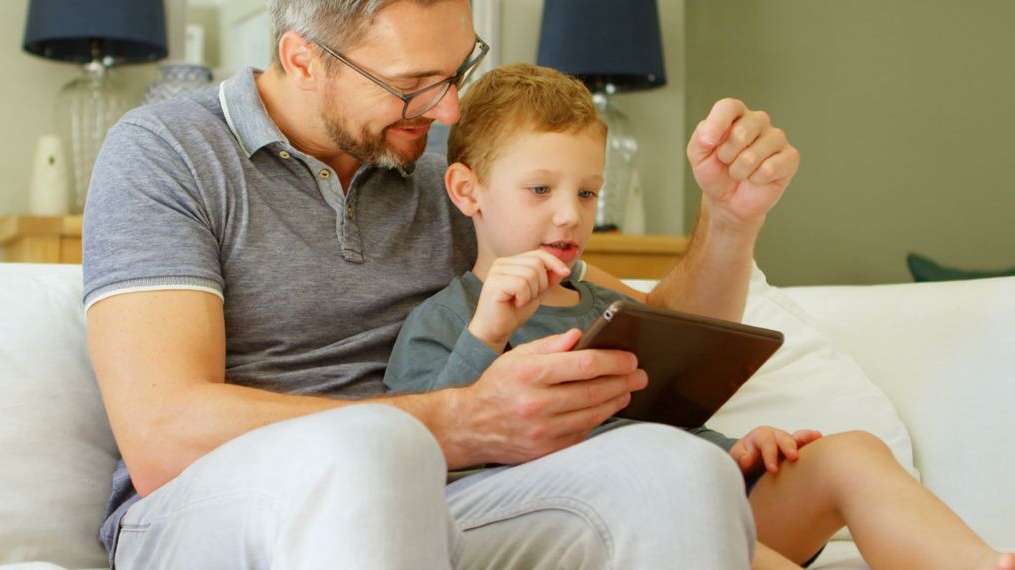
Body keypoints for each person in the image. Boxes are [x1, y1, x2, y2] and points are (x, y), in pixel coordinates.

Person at [82, 0, 808, 568]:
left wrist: (730, 220)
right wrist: (464, 420)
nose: (449, 110)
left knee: (675, 471)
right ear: (302, 60)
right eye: (411, 86)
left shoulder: (452, 178)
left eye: (458, 71)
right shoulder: (167, 153)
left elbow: (655, 345)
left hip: (437, 501)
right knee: (372, 450)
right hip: (205, 516)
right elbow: (162, 435)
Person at [384, 62, 1015, 570]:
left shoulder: (614, 309)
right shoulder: (449, 319)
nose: (569, 215)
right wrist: (486, 333)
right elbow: (424, 451)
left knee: (853, 453)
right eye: (541, 190)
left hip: (706, 495)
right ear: (468, 191)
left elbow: (662, 427)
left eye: (586, 192)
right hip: (605, 520)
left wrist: (737, 447)